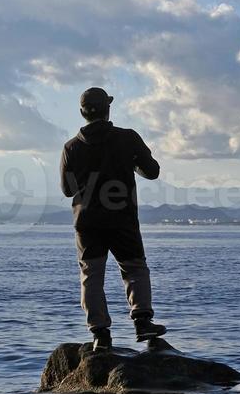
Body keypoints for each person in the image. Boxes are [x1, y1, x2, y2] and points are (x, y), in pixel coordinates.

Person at [60, 87, 167, 351]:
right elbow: (152, 171)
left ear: (82, 113)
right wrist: (131, 163)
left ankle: (100, 335)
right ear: (108, 109)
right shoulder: (127, 138)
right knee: (134, 269)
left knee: (91, 276)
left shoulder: (71, 147)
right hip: (122, 219)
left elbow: (67, 189)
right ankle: (142, 323)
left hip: (87, 222)